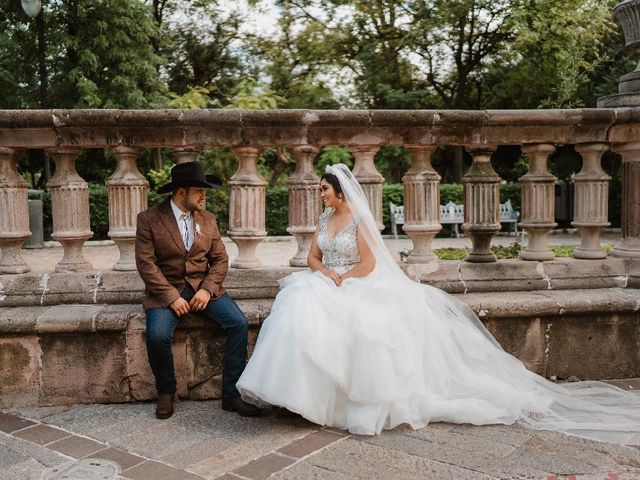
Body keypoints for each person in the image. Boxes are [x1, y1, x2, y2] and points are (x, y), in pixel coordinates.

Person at [237, 163, 640, 441]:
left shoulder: (357, 221)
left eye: (323, 189)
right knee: (298, 304)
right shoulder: (324, 221)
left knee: (357, 326)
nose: (319, 194)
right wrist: (325, 274)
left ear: (339, 192)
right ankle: (300, 399)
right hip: (328, 280)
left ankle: (345, 403)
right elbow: (312, 257)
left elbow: (370, 263)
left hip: (358, 280)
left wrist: (344, 278)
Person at [135, 161, 260, 419]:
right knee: (157, 336)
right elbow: (146, 266)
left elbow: (220, 260)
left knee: (238, 324)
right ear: (181, 192)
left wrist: (207, 290)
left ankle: (231, 395)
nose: (204, 195)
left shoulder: (208, 219)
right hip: (166, 290)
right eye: (198, 191)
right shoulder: (149, 219)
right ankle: (166, 391)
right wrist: (171, 297)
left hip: (203, 287)